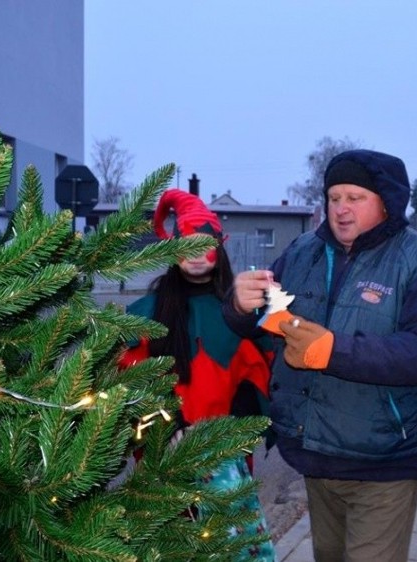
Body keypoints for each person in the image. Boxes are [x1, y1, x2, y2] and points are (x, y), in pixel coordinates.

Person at [223, 149, 417, 562]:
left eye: (355, 198)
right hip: (316, 455)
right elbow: (264, 321)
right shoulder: (302, 252)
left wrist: (333, 350)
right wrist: (239, 305)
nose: (342, 210)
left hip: (383, 460)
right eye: (334, 198)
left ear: (385, 202)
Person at [118, 188, 275, 560]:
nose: (196, 257)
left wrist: (224, 433)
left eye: (204, 245)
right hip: (163, 454)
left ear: (220, 246)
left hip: (224, 456)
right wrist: (166, 429)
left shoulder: (241, 311)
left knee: (227, 545)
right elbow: (130, 386)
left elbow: (259, 379)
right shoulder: (147, 313)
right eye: (186, 246)